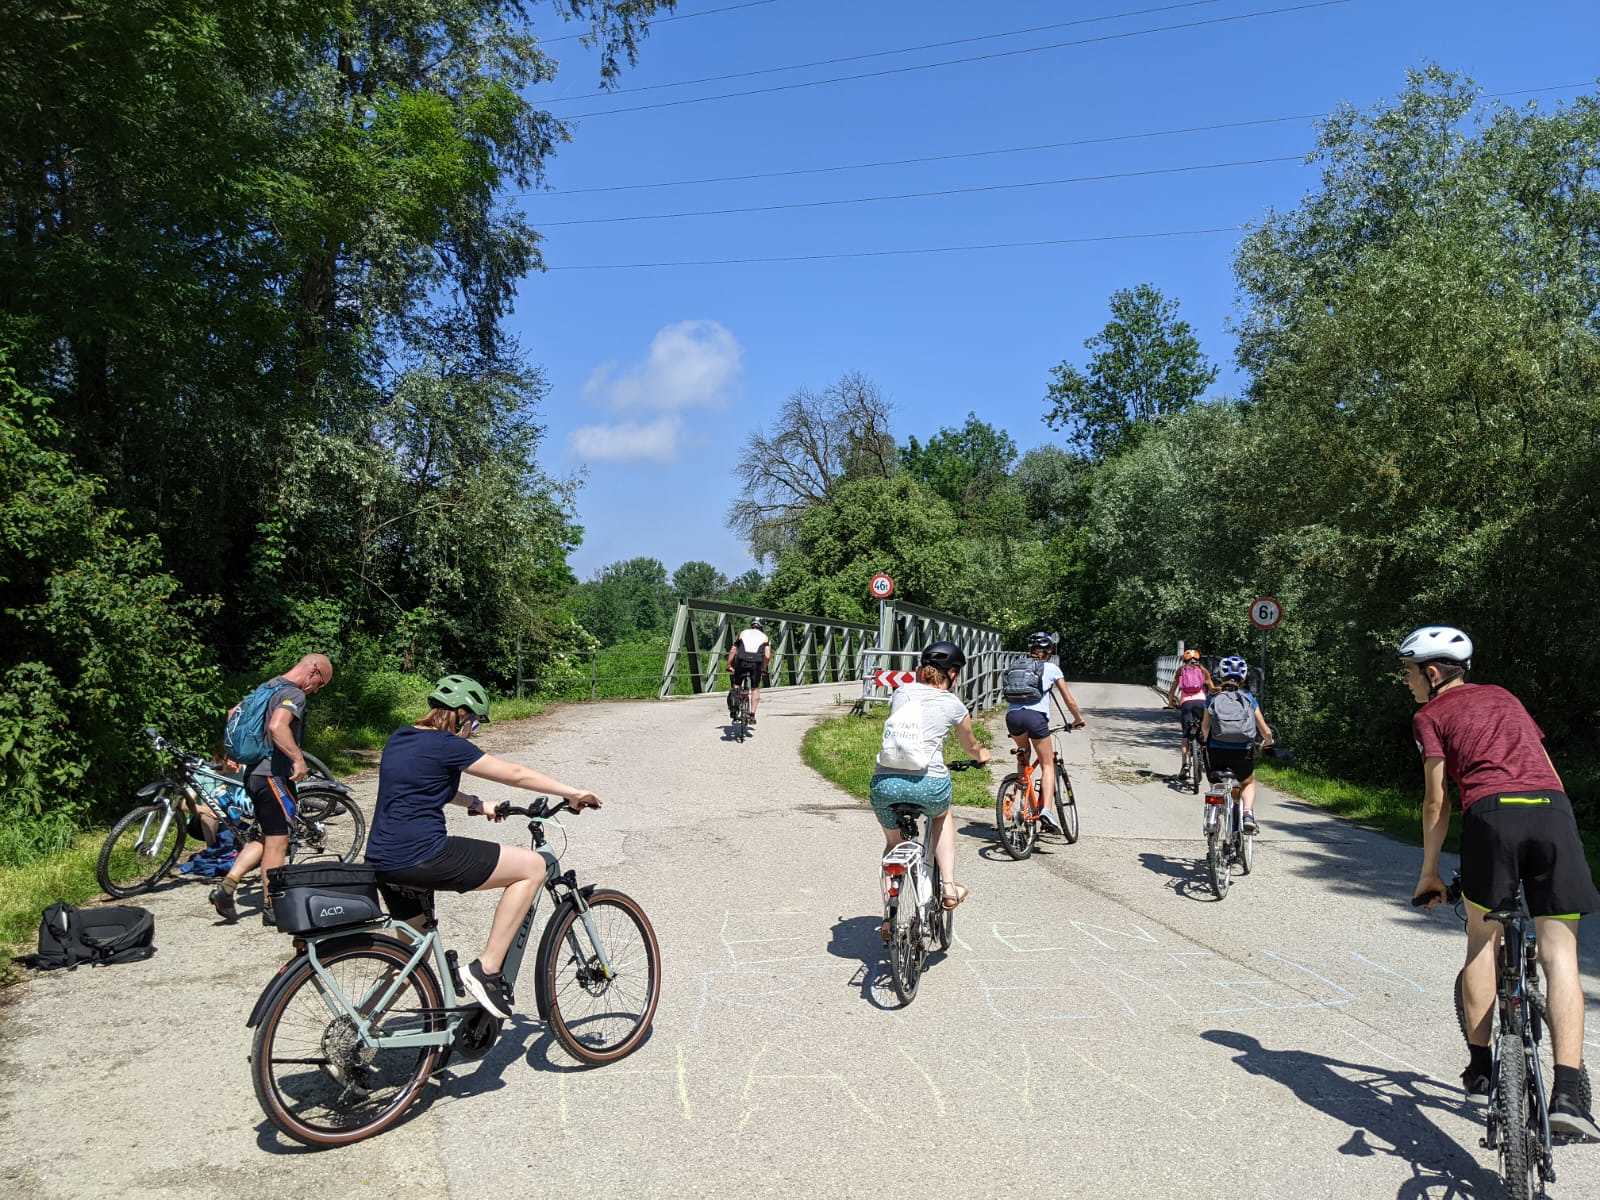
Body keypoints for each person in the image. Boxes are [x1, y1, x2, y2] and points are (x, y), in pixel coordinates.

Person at [1401, 626, 1600, 1139]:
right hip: (1554, 813)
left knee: (1482, 940)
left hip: (1492, 815)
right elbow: (1545, 766)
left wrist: (1429, 872)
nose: (1406, 683)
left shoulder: (1431, 714)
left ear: (1431, 672)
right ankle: (1571, 1093)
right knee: (1561, 955)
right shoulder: (1506, 697)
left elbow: (1436, 799)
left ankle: (1482, 1064)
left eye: (1408, 672)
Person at [365, 674, 602, 1020]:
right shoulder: (450, 745)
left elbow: (428, 785)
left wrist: (476, 803)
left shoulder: (401, 737)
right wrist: (570, 792)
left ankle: (359, 1024)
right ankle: (486, 970)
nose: (473, 730)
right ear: (461, 713)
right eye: (474, 722)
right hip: (423, 855)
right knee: (533, 867)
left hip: (384, 861)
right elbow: (515, 773)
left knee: (413, 949)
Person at [869, 641, 990, 929]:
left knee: (893, 843)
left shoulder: (901, 693)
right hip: (929, 784)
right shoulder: (954, 704)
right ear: (953, 674)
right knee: (942, 815)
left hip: (885, 784)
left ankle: (890, 917)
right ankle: (948, 886)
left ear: (921, 670)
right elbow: (970, 746)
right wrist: (982, 755)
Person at [209, 654, 331, 926]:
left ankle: (227, 887)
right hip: (273, 775)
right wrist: (298, 758)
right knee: (278, 841)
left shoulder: (267, 687)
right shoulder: (293, 694)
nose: (316, 689)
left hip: (253, 774)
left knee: (266, 835)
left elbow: (233, 714)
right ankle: (272, 905)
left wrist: (233, 752)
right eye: (320, 683)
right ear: (313, 671)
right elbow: (278, 726)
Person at [1004, 631, 1086, 833]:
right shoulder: (1051, 668)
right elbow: (1068, 699)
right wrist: (1078, 719)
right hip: (1036, 718)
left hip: (1013, 718)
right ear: (1049, 651)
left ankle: (1022, 802)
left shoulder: (1016, 665)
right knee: (1048, 765)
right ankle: (1046, 812)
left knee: (1024, 755)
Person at [1200, 655, 1273, 834]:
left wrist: (1207, 740)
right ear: (1244, 676)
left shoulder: (1213, 697)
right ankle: (1247, 814)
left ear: (1221, 675)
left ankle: (1213, 816)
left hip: (1216, 752)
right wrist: (1268, 741)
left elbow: (1204, 728)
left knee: (1217, 783)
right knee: (1247, 782)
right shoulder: (1248, 698)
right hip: (1242, 752)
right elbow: (1265, 730)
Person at [1167, 648, 1215, 774]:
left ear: (1184, 660)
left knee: (1185, 735)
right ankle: (1206, 758)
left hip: (1186, 704)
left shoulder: (1180, 670)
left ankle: (1185, 764)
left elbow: (1172, 690)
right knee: (1204, 730)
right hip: (1201, 703)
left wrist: (1170, 703)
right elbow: (1213, 689)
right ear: (1198, 659)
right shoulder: (1203, 670)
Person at [726, 617, 773, 724]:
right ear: (761, 626)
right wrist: (763, 668)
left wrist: (729, 664)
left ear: (752, 624)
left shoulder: (742, 633)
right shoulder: (765, 637)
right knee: (755, 688)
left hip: (741, 661)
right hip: (756, 663)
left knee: (737, 684)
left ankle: (734, 705)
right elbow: (767, 655)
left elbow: (733, 649)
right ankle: (752, 715)